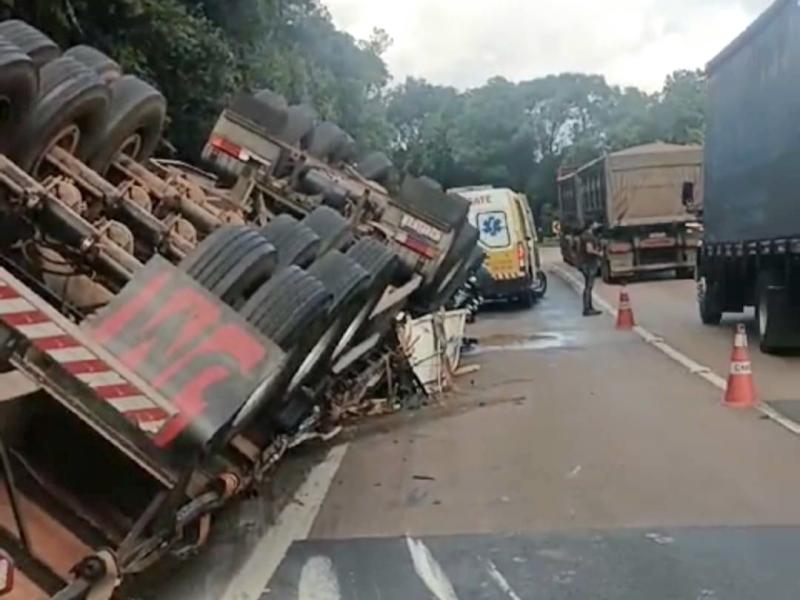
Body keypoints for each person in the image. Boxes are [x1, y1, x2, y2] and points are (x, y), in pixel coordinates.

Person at [579, 222, 603, 316]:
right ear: (591, 225)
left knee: (588, 287)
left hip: (585, 263)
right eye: (595, 224)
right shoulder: (588, 237)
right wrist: (599, 253)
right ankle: (587, 308)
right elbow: (589, 250)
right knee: (589, 287)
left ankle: (588, 307)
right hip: (588, 264)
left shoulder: (584, 235)